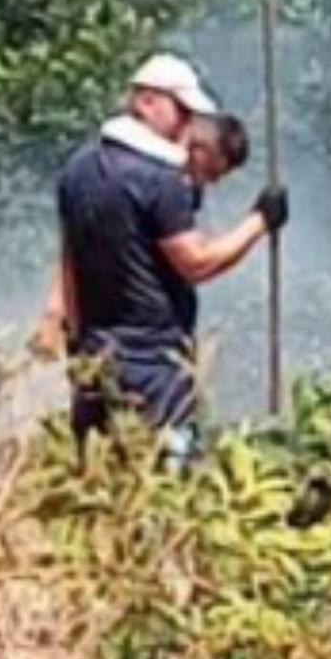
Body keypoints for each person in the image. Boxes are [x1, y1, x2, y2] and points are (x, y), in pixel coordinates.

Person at [43, 52, 286, 456]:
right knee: (170, 471)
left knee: (103, 473)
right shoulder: (158, 181)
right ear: (147, 101)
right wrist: (260, 221)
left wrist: (64, 323)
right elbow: (196, 261)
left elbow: (71, 255)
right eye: (182, 110)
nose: (188, 125)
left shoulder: (79, 168)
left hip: (92, 352)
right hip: (152, 362)